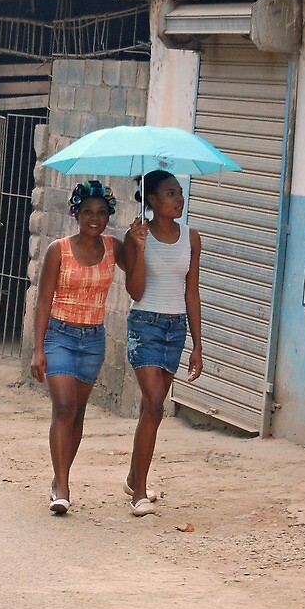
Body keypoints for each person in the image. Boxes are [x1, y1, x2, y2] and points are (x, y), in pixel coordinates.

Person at [30, 180, 144, 514]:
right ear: (76, 214)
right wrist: (38, 349)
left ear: (108, 216)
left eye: (101, 213)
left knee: (77, 414)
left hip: (92, 339)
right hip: (59, 335)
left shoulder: (113, 247)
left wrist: (137, 247)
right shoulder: (58, 249)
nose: (94, 218)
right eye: (87, 212)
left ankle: (60, 478)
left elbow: (137, 288)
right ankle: (61, 485)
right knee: (64, 407)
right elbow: (43, 300)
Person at [122, 170, 204, 517]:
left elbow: (192, 291)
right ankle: (139, 493)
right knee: (155, 404)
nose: (178, 199)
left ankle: (132, 475)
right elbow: (135, 291)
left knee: (150, 410)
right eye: (170, 194)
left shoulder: (192, 238)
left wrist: (198, 345)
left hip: (175, 328)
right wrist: (138, 248)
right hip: (145, 325)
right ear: (151, 200)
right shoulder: (136, 236)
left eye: (180, 193)